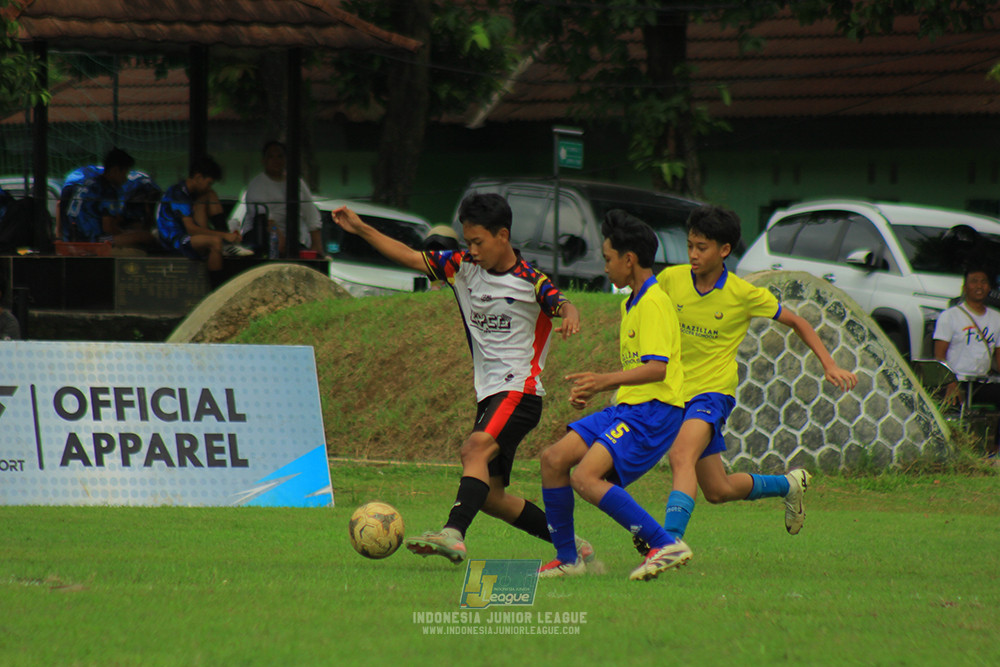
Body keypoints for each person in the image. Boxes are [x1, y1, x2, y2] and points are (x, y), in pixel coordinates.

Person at [331, 193, 583, 564]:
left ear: (503, 235)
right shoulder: (460, 267)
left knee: (473, 449)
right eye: (468, 242)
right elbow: (408, 256)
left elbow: (561, 302)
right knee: (493, 498)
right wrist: (361, 228)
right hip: (491, 395)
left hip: (519, 391)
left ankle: (453, 533)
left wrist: (570, 314)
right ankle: (574, 547)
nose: (472, 249)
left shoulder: (530, 280)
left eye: (478, 242)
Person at [642, 205, 857, 554]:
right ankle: (788, 485)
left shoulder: (743, 293)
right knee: (718, 490)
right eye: (690, 245)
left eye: (702, 247)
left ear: (724, 250)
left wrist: (829, 365)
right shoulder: (671, 280)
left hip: (712, 393)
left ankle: (669, 542)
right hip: (675, 393)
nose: (693, 254)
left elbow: (798, 322)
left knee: (680, 454)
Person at [537, 209, 693, 582]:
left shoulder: (654, 302)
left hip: (654, 411)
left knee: (587, 478)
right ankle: (568, 560)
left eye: (608, 258)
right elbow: (638, 369)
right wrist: (599, 389)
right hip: (629, 407)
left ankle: (664, 543)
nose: (604, 267)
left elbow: (658, 369)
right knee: (554, 459)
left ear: (629, 259)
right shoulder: (631, 303)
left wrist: (603, 381)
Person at [156, 155, 244, 277]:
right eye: (208, 183)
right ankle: (216, 288)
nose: (209, 186)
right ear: (198, 177)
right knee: (215, 242)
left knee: (210, 194)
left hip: (189, 235)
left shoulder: (191, 192)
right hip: (176, 240)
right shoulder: (178, 194)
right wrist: (223, 235)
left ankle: (227, 243)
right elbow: (191, 229)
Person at [933, 265, 1000, 421]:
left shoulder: (997, 318)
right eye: (974, 281)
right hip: (956, 380)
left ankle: (996, 445)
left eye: (983, 282)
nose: (979, 286)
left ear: (989, 287)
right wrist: (950, 383)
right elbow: (939, 356)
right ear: (964, 287)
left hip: (981, 382)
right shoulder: (950, 316)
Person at [64, 149, 158, 251]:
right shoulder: (107, 190)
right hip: (94, 241)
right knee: (144, 236)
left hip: (72, 238)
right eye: (125, 173)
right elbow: (108, 228)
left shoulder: (88, 183)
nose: (126, 179)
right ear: (116, 170)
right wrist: (126, 234)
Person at [242, 141, 323, 257]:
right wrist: (278, 240)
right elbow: (265, 220)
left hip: (292, 242)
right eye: (271, 157)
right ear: (263, 161)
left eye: (280, 156)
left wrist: (317, 245)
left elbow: (311, 214)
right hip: (261, 240)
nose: (276, 160)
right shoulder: (257, 185)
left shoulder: (297, 182)